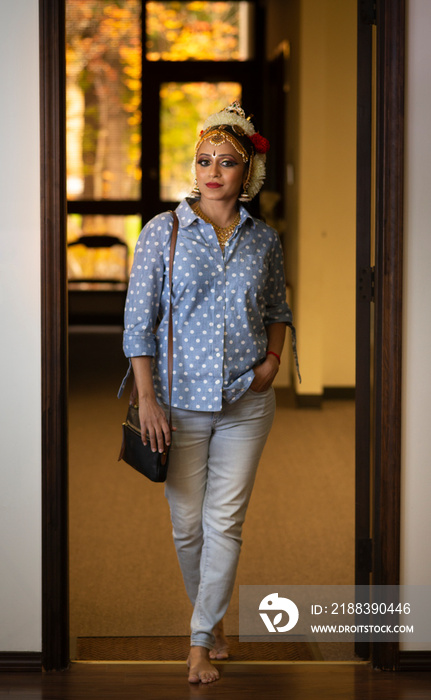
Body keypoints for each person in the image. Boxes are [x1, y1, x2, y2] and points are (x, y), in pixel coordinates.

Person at [122, 102, 299, 683]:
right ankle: (212, 617)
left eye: (227, 162)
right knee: (188, 525)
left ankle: (200, 640)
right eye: (204, 161)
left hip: (249, 401)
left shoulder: (263, 240)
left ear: (247, 173)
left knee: (225, 522)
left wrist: (273, 362)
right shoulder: (162, 234)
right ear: (193, 168)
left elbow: (278, 308)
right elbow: (138, 323)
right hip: (175, 404)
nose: (214, 171)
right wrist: (146, 398)